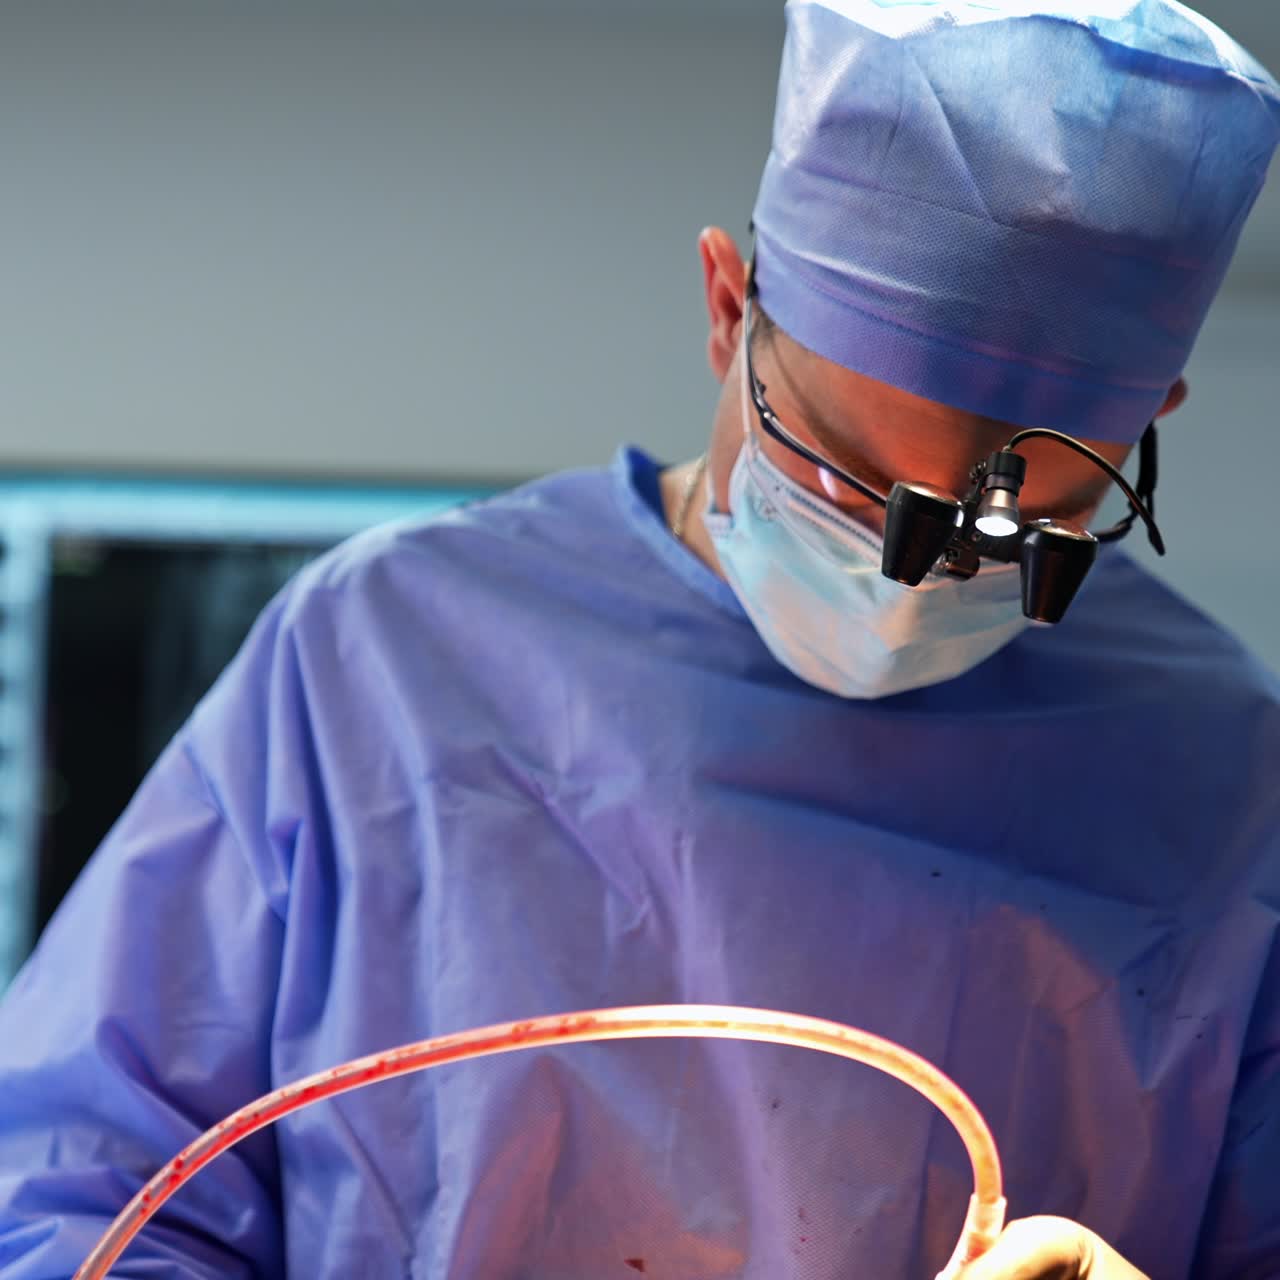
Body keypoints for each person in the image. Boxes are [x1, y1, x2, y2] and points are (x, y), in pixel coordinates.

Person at [2, 1, 1279, 1276]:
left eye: (1015, 532)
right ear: (730, 309)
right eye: (843, 482)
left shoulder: (1218, 772)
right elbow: (75, 1201)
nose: (911, 584)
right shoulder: (383, 658)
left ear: (1145, 420)